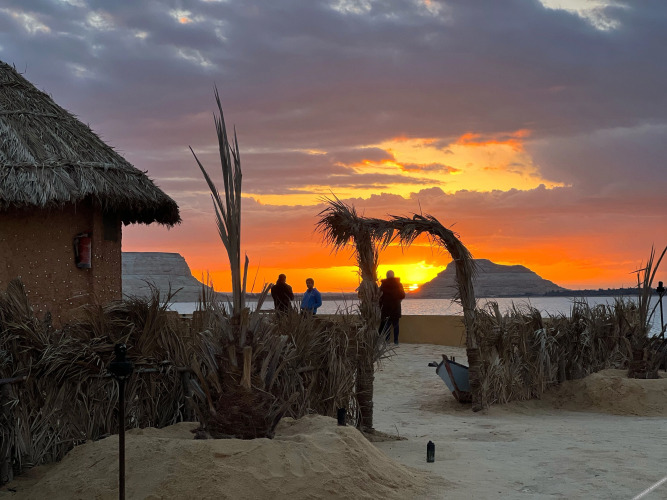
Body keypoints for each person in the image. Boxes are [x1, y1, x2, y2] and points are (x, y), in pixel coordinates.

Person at [379, 270, 406, 344]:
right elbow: (402, 295)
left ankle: (387, 341)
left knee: (387, 326)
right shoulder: (399, 284)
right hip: (396, 308)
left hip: (386, 308)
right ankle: (396, 341)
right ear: (393, 275)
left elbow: (379, 296)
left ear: (387, 276)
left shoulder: (383, 285)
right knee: (396, 325)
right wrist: (398, 300)